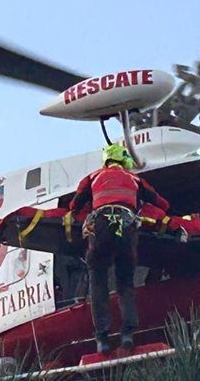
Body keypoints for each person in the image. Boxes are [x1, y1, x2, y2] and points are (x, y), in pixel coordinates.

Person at [71, 143, 170, 354]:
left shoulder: (92, 178)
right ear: (125, 161)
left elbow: (74, 206)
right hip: (126, 229)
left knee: (98, 280)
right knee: (125, 282)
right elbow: (163, 204)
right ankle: (127, 334)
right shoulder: (135, 179)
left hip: (101, 228)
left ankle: (102, 339)